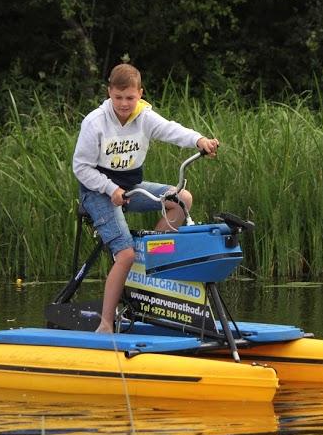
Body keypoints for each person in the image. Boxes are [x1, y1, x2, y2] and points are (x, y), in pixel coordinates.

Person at [72, 63, 220, 333]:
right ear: (109, 94)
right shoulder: (95, 122)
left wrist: (200, 140)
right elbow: (81, 167)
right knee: (124, 254)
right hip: (97, 193)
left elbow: (172, 130)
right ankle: (106, 324)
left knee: (182, 199)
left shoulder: (145, 117)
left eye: (130, 97)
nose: (124, 104)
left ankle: (146, 261)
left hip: (130, 188)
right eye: (118, 98)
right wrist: (109, 189)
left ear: (140, 93)